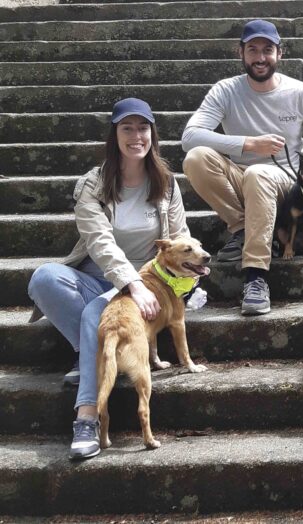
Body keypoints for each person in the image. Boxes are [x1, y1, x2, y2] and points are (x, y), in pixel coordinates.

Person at [27, 98, 189, 460]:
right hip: (102, 276)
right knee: (43, 279)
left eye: (143, 128)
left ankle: (87, 418)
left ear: (153, 134)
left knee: (92, 317)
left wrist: (183, 286)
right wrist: (130, 282)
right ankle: (92, 351)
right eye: (127, 128)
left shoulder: (165, 182)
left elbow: (180, 239)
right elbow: (99, 241)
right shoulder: (92, 184)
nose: (136, 136)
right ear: (114, 135)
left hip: (145, 283)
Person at [181, 19, 303, 316]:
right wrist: (249, 143)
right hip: (240, 178)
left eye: (267, 50)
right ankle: (242, 227)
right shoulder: (226, 90)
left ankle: (255, 276)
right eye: (253, 50)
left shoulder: (300, 92)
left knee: (258, 173)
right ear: (241, 53)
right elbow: (189, 137)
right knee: (196, 158)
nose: (260, 57)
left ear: (280, 53)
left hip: (285, 182)